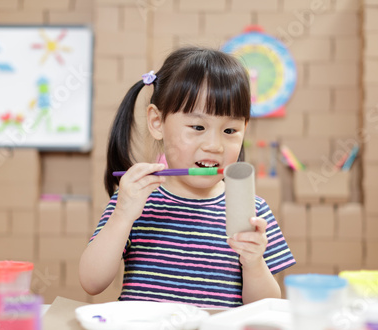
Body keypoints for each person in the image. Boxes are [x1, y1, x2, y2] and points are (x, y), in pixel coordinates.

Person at [79, 46, 295, 308]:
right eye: (197, 127)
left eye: (230, 130)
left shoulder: (253, 210)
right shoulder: (135, 199)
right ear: (157, 123)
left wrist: (254, 262)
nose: (214, 145)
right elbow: (92, 282)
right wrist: (123, 215)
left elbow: (267, 307)